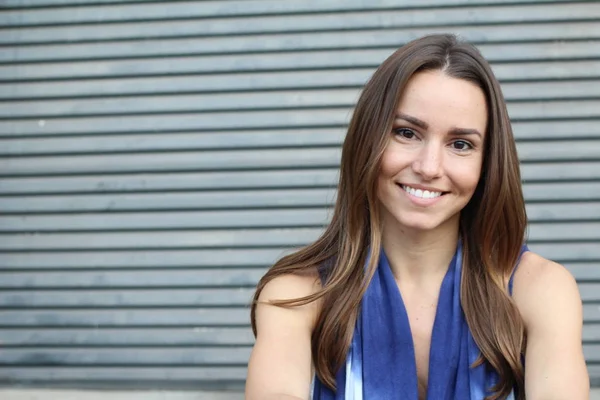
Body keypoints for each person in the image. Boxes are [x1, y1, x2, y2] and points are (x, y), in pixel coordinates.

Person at [245, 34, 589, 400]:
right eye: (406, 133)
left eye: (460, 144)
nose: (429, 167)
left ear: (487, 163)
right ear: (368, 139)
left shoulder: (541, 290)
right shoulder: (296, 294)